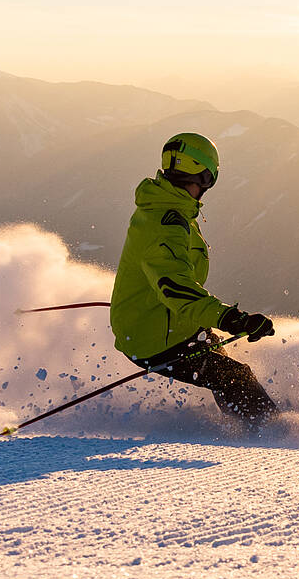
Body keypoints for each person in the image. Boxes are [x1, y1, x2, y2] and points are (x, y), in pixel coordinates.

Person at [109, 132, 279, 430]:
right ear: (202, 176)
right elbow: (177, 288)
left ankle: (247, 422)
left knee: (224, 367)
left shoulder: (163, 205)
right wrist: (232, 318)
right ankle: (273, 435)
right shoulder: (167, 223)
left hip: (163, 321)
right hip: (156, 338)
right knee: (236, 376)